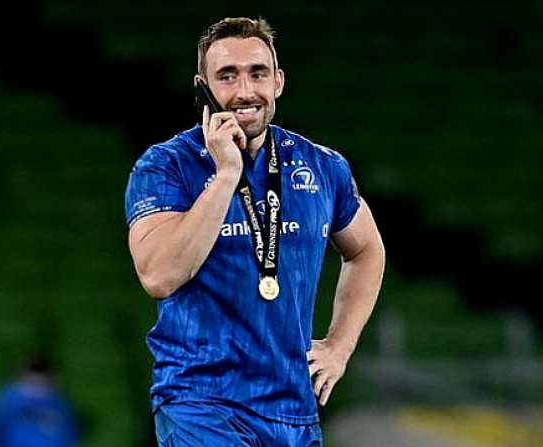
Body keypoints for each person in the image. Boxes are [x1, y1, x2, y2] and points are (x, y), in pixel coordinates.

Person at [125, 17, 385, 446]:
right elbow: (159, 275)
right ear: (202, 87)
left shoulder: (321, 166)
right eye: (227, 76)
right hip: (201, 404)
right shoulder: (165, 166)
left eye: (257, 73)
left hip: (293, 410)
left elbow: (366, 251)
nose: (245, 91)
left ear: (278, 81)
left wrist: (340, 346)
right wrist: (226, 174)